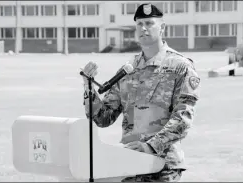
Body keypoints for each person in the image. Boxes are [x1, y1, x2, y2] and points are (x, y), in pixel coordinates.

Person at [81, 3, 200, 182]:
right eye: (139, 24)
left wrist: (149, 146)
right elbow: (103, 118)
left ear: (162, 27)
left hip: (163, 166)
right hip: (131, 164)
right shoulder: (128, 70)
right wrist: (88, 88)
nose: (143, 28)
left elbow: (182, 118)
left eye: (149, 23)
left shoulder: (180, 67)